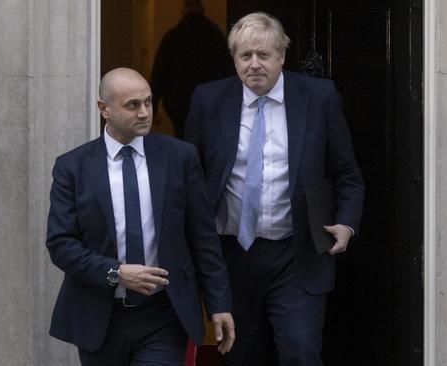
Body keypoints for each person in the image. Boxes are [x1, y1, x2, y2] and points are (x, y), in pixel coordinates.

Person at [185, 12, 365, 366]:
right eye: (245, 56)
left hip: (295, 254)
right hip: (230, 254)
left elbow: (347, 172)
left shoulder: (318, 97)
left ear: (281, 55)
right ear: (234, 59)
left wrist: (346, 223)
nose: (254, 65)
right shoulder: (208, 100)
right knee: (239, 355)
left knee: (300, 350)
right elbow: (189, 178)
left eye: (263, 55)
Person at [46, 67, 235, 366]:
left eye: (148, 102)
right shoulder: (73, 167)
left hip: (163, 314)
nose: (145, 112)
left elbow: (203, 238)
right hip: (99, 314)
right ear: (104, 109)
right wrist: (116, 273)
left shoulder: (179, 158)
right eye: (132, 105)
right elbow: (61, 244)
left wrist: (219, 304)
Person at [150, 0, 232, 138]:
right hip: (210, 100)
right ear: (203, 10)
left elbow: (159, 71)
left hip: (179, 101)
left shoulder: (172, 36)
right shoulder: (216, 36)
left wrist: (153, 105)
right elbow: (228, 69)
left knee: (182, 136)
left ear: (183, 11)